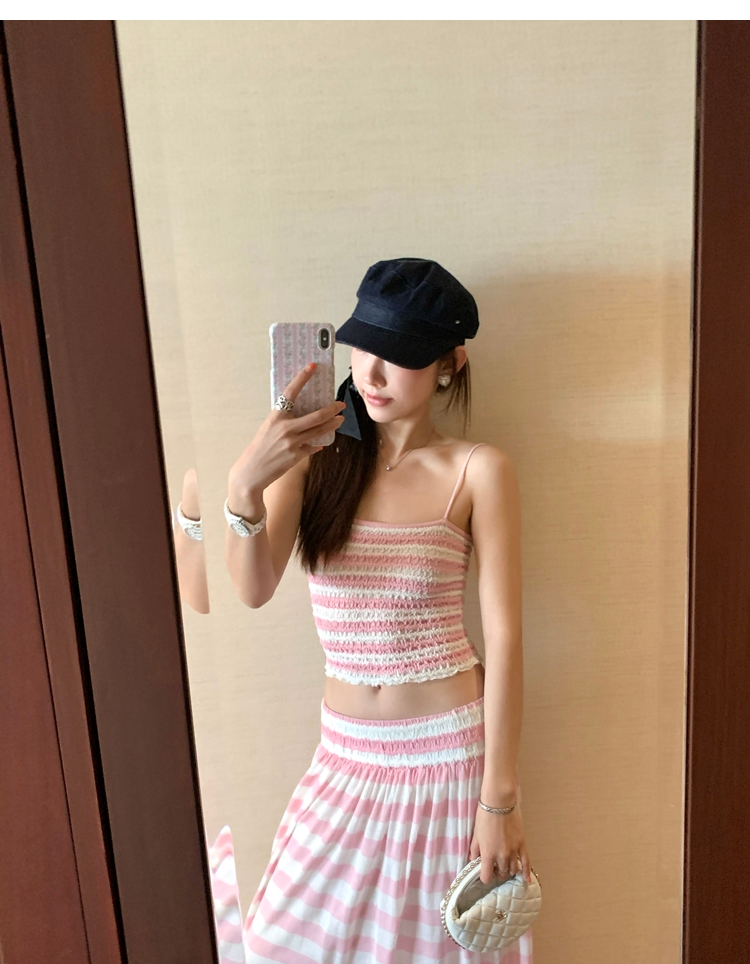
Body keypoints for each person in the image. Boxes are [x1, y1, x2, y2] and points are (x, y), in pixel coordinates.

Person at [224, 258, 533, 963]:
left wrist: (500, 800)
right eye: (364, 346)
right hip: (345, 757)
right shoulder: (317, 459)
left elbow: (507, 641)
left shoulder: (479, 469)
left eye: (401, 355)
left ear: (451, 364)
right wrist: (245, 486)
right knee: (271, 944)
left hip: (449, 759)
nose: (373, 373)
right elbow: (253, 586)